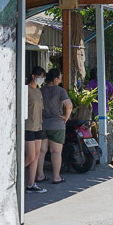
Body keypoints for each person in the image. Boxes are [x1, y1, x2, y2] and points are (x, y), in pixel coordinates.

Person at [39, 67, 73, 184]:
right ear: (55, 78)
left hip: (42, 124)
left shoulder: (41, 90)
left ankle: (40, 175)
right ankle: (56, 177)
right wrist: (66, 117)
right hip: (56, 125)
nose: (60, 79)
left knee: (41, 151)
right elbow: (69, 106)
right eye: (59, 77)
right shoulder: (60, 91)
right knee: (56, 152)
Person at [24, 66, 47, 194]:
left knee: (36, 156)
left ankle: (31, 184)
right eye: (40, 77)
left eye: (43, 77)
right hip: (28, 126)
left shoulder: (39, 91)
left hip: (38, 126)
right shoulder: (26, 90)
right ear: (33, 76)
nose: (41, 79)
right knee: (30, 156)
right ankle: (17, 173)